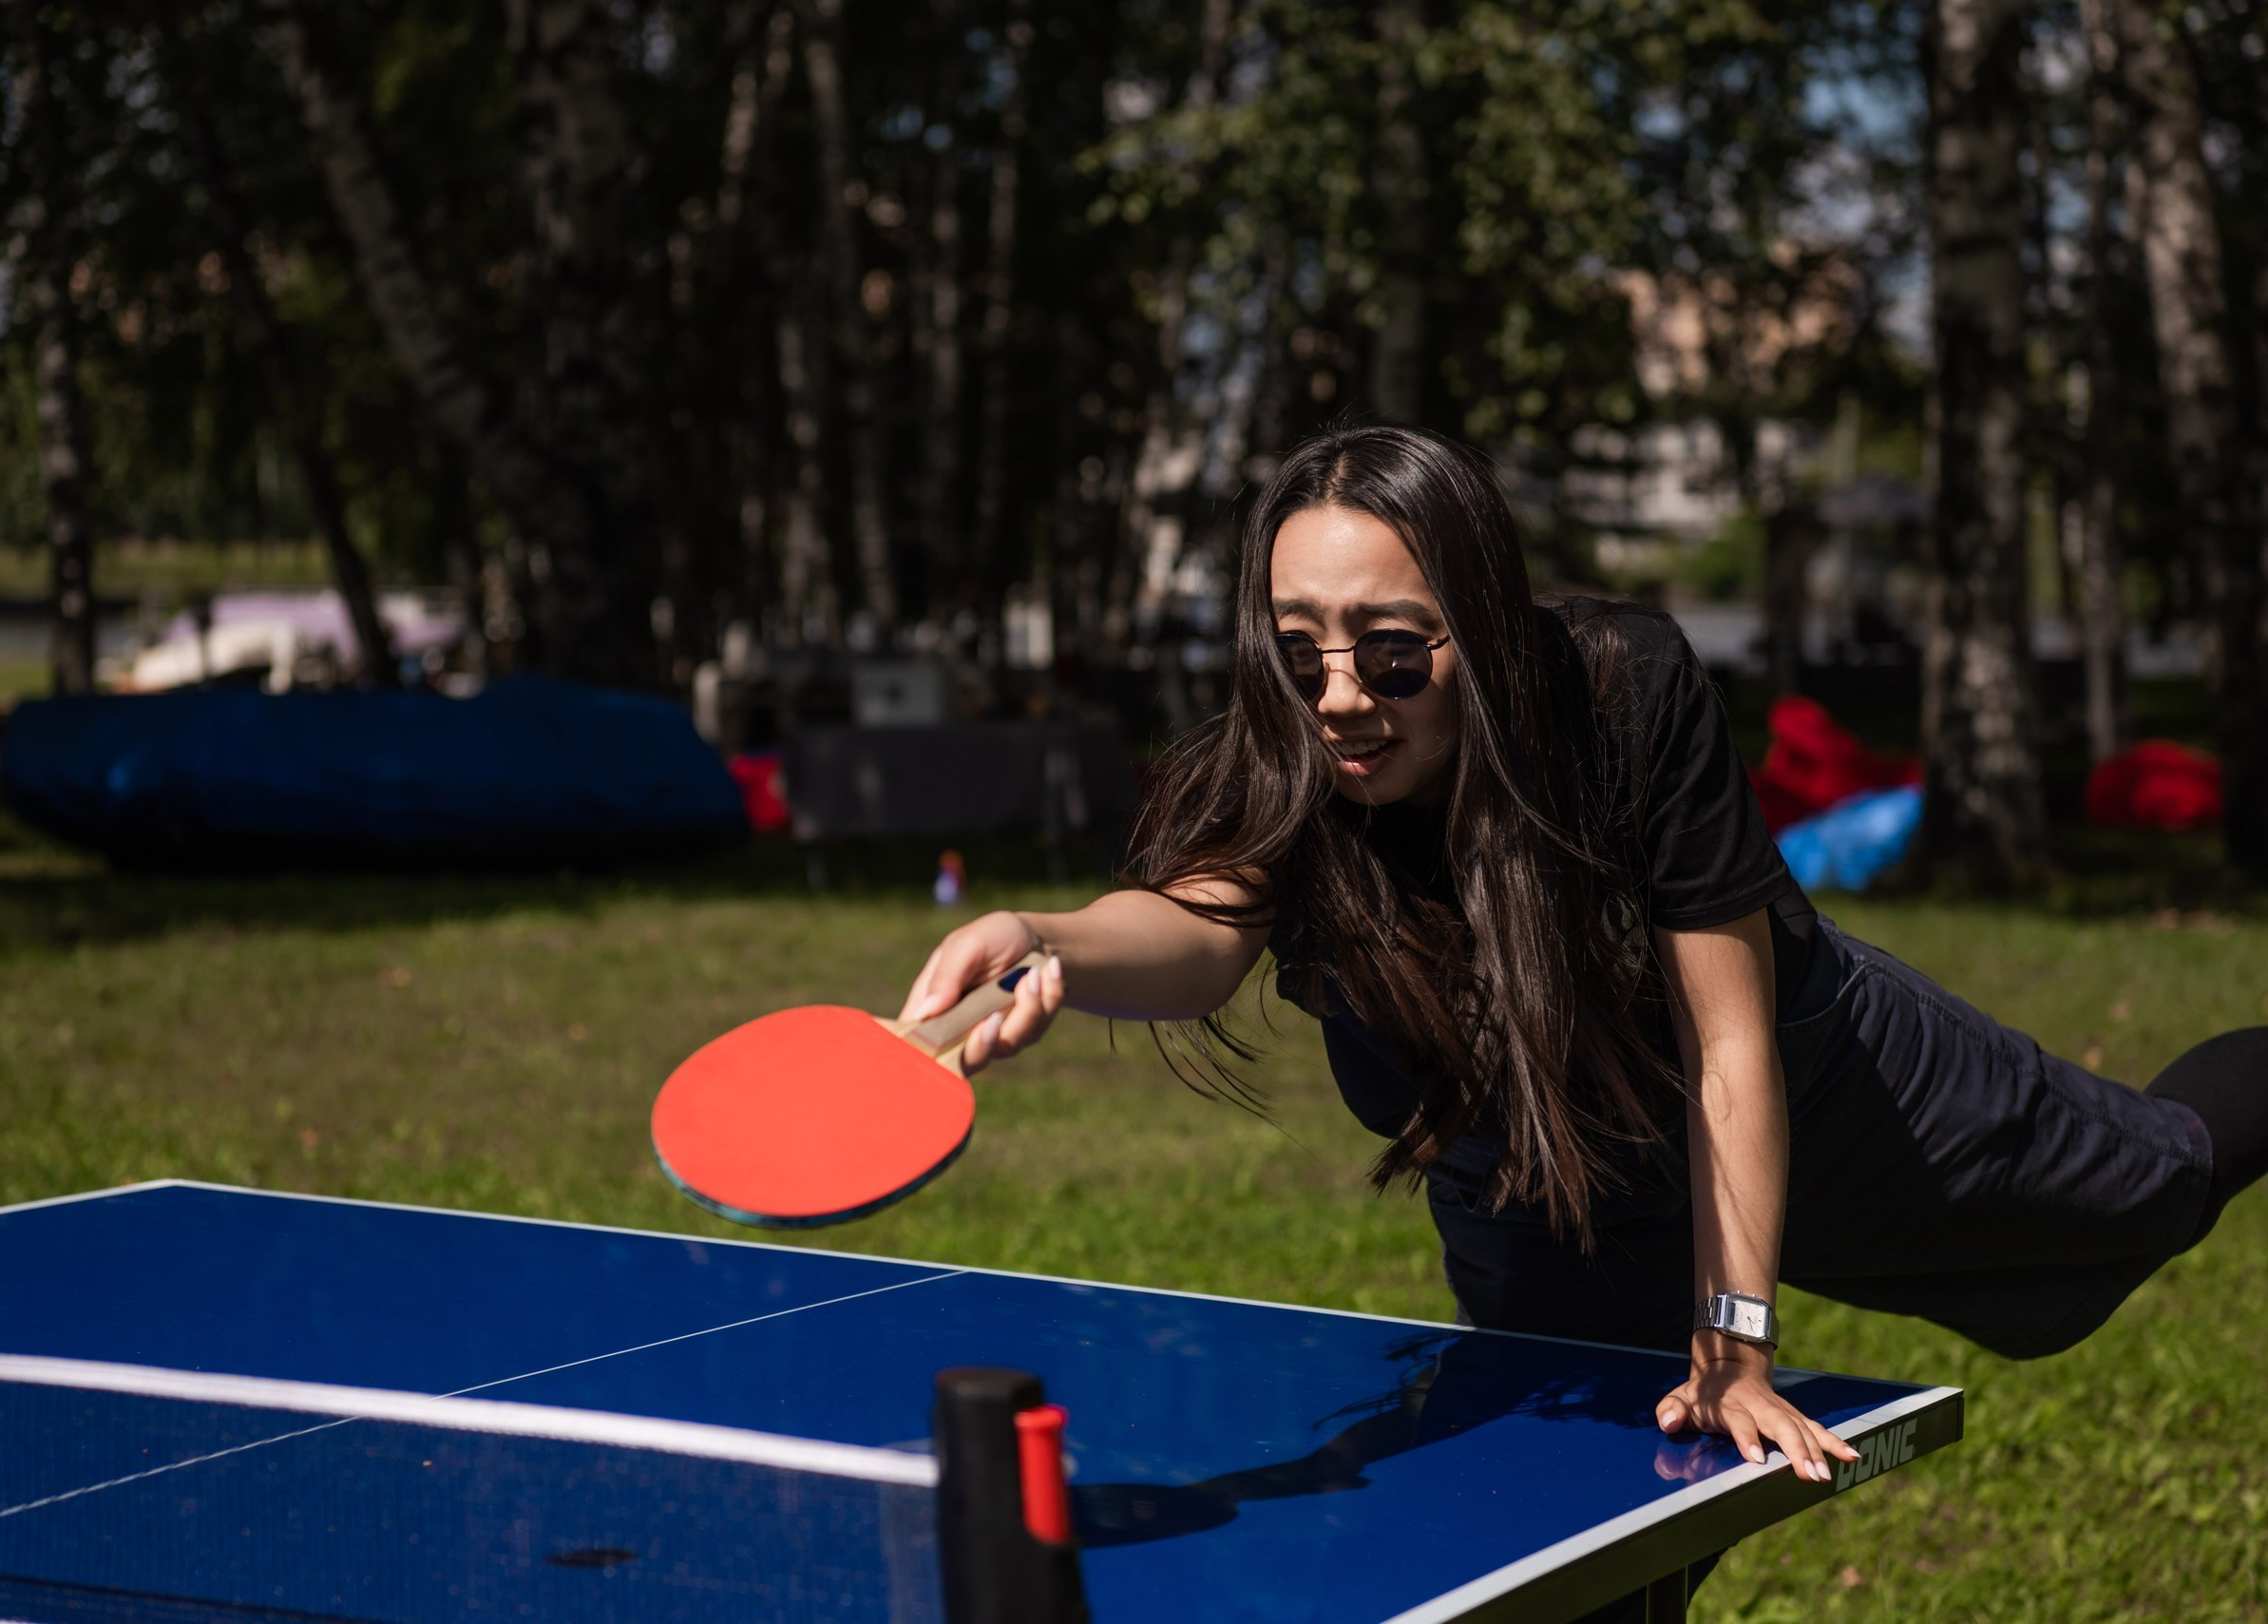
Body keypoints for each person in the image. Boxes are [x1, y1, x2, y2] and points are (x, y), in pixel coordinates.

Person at [899, 425, 2268, 1618]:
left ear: (1477, 626)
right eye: (1294, 645)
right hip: (1545, 1182)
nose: (1337, 697)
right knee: (1581, 1555)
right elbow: (1199, 928)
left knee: (2151, 1193)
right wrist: (1048, 935)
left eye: (1388, 650)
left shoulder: (1622, 693)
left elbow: (1728, 1041)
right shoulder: (1294, 748)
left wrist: (1732, 1333)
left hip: (1819, 1081)